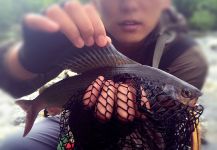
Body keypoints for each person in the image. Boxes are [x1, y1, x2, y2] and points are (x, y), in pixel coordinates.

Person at [0, 0, 208, 149]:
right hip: (74, 116)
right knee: (13, 145)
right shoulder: (79, 32)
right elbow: (14, 82)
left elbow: (170, 131)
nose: (129, 5)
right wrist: (25, 58)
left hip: (151, 135)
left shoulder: (185, 55)